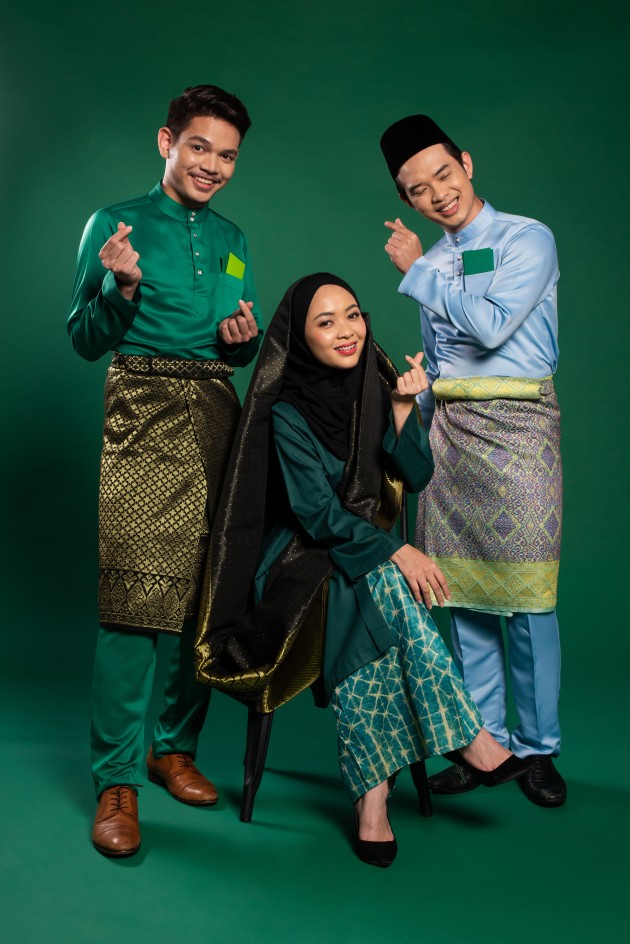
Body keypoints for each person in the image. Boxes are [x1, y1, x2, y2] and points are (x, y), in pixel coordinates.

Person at [194, 273, 530, 868]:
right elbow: (315, 515)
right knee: (377, 578)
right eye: (326, 323)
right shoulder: (286, 409)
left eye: (352, 314)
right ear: (300, 338)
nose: (346, 331)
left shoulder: (376, 386)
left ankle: (372, 802)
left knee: (366, 591)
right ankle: (465, 737)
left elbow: (417, 475)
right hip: (295, 560)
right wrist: (397, 551)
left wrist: (402, 410)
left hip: (355, 558)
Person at [68, 84, 262, 857]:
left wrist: (242, 341)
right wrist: (121, 288)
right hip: (142, 412)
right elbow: (84, 337)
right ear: (166, 142)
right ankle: (117, 781)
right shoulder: (113, 223)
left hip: (218, 414)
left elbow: (236, 341)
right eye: (200, 147)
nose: (213, 166)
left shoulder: (234, 237)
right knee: (134, 602)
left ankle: (174, 747)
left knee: (207, 596)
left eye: (228, 156)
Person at [379, 114, 565, 807]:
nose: (438, 195)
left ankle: (538, 747)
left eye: (444, 175)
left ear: (467, 163)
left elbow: (490, 328)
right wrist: (413, 410)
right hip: (452, 431)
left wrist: (417, 270)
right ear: (407, 200)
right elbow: (448, 359)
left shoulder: (526, 237)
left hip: (520, 426)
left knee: (529, 600)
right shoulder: (436, 259)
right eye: (418, 190)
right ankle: (483, 742)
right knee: (460, 598)